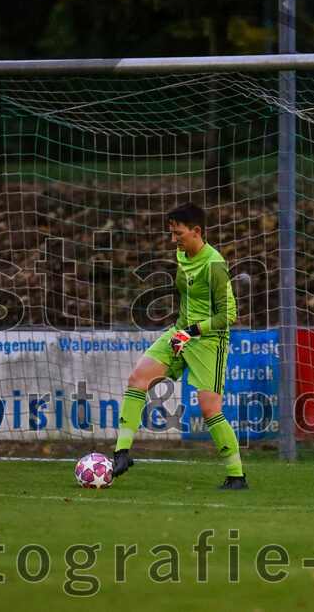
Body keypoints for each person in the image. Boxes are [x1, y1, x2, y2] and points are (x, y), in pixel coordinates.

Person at [111, 202, 247, 490]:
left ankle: (237, 476)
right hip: (180, 333)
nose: (173, 239)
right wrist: (182, 332)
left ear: (197, 231)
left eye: (178, 233)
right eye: (171, 233)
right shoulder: (182, 254)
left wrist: (192, 331)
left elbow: (228, 315)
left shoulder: (215, 265)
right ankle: (121, 453)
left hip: (209, 340)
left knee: (209, 409)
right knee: (138, 378)